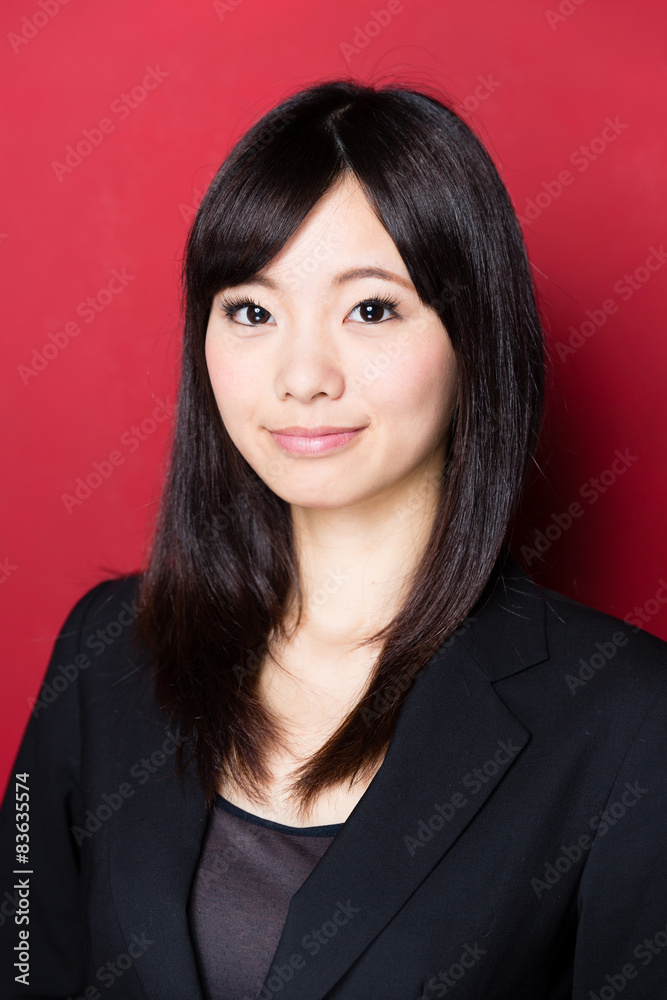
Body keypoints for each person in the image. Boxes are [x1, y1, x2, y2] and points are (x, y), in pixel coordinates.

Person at [0, 77, 666, 1000]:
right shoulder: (107, 647)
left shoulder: (627, 720)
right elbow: (24, 955)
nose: (300, 376)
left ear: (472, 334)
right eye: (252, 311)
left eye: (370, 309)